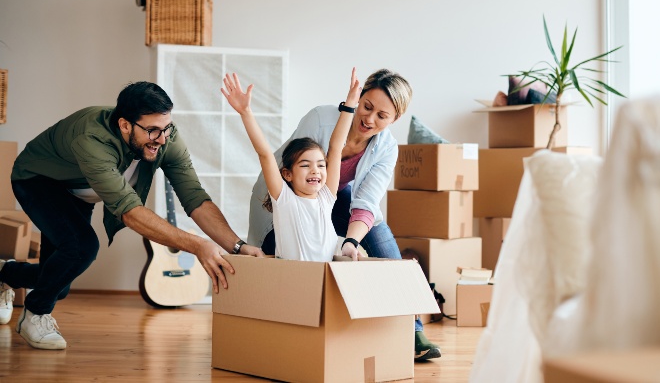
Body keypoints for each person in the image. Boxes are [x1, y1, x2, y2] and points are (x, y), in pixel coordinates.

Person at [0, 81, 264, 350]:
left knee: (59, 280)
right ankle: (35, 314)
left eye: (166, 128)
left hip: (80, 191)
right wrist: (198, 246)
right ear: (125, 125)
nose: (162, 139)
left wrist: (237, 245)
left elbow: (194, 196)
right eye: (152, 130)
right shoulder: (92, 139)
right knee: (82, 248)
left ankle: (5, 273)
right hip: (39, 180)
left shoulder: (166, 138)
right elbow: (129, 212)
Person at [247, 68, 442, 361]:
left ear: (395, 119)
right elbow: (291, 166)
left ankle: (411, 329)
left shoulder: (386, 147)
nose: (369, 119)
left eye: (382, 115)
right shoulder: (321, 119)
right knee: (285, 268)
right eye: (367, 106)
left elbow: (366, 200)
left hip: (330, 197)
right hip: (285, 195)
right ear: (359, 98)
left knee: (377, 231)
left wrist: (350, 242)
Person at [222, 69, 360, 261]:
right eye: (305, 165)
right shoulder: (285, 200)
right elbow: (265, 155)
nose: (315, 170)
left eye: (321, 165)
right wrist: (246, 112)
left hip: (324, 280)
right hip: (293, 281)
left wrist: (350, 106)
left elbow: (336, 148)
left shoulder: (326, 198)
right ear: (287, 174)